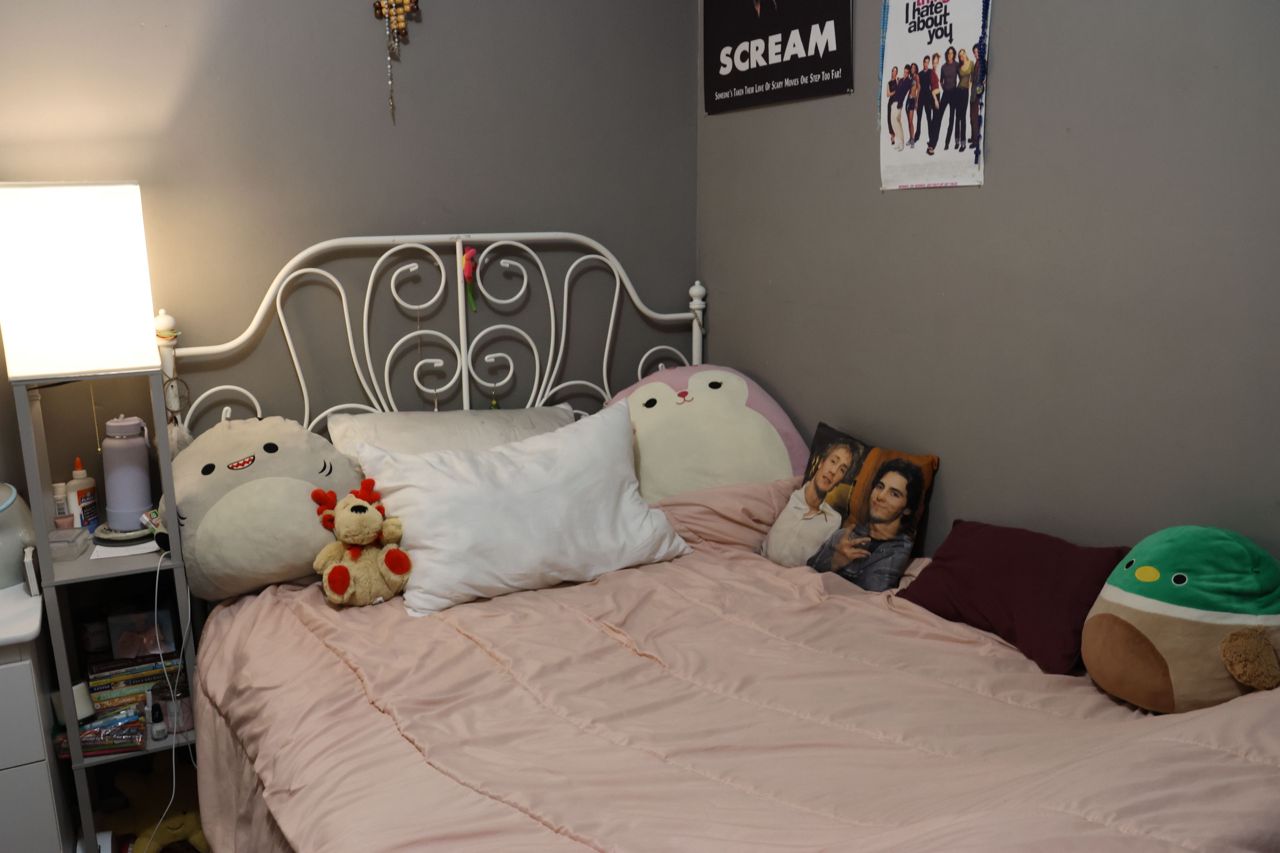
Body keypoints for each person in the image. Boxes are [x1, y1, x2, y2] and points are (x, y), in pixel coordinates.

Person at [807, 457, 925, 591]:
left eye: (894, 494)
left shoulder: (898, 551)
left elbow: (869, 596)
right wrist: (835, 562)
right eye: (880, 487)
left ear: (907, 509)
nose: (880, 496)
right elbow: (807, 573)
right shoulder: (844, 536)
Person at [761, 442, 855, 567]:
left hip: (794, 577)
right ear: (821, 462)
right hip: (759, 565)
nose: (833, 471)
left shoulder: (833, 520)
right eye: (833, 461)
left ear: (840, 481)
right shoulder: (790, 494)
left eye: (842, 470)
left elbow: (820, 565)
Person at [911, 55, 936, 147]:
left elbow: (933, 86)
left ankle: (931, 138)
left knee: (929, 119)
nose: (926, 64)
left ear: (929, 63)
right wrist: (916, 102)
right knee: (919, 118)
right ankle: (917, 136)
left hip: (928, 98)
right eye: (925, 62)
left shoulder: (930, 72)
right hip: (921, 97)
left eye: (927, 62)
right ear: (923, 62)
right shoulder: (920, 74)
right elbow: (918, 88)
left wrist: (933, 100)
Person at [939, 46, 960, 151]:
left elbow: (962, 75)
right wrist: (943, 88)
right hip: (945, 93)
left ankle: (947, 143)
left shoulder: (957, 65)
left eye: (952, 53)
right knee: (939, 115)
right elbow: (941, 80)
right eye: (948, 53)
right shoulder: (943, 67)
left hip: (954, 93)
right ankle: (934, 140)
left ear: (954, 55)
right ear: (946, 54)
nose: (950, 55)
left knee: (951, 119)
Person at [888, 68, 912, 152]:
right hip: (894, 102)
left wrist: (900, 103)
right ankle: (899, 142)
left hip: (898, 103)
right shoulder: (901, 80)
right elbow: (897, 90)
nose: (905, 73)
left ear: (908, 73)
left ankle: (901, 143)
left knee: (896, 123)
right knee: (895, 123)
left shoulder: (908, 81)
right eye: (904, 72)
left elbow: (904, 93)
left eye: (907, 72)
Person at [955, 48, 973, 153]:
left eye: (962, 54)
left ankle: (963, 143)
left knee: (963, 117)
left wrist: (969, 85)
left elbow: (973, 77)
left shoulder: (971, 63)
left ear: (965, 54)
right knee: (957, 116)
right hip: (958, 91)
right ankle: (957, 141)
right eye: (960, 56)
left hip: (965, 92)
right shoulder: (959, 67)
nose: (961, 57)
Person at [904, 64, 919, 147]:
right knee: (909, 122)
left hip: (913, 100)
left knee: (911, 121)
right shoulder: (910, 78)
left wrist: (917, 101)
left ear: (916, 69)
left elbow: (919, 88)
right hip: (908, 101)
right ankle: (910, 138)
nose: (912, 69)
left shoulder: (916, 76)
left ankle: (912, 140)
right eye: (911, 68)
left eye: (914, 68)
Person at [885, 66, 899, 146]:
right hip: (890, 102)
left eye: (895, 71)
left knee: (895, 119)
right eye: (893, 71)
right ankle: (892, 136)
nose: (894, 72)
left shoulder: (897, 80)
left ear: (897, 73)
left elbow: (899, 90)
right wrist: (894, 92)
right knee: (889, 119)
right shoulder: (889, 82)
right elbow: (887, 94)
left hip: (896, 102)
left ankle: (896, 134)